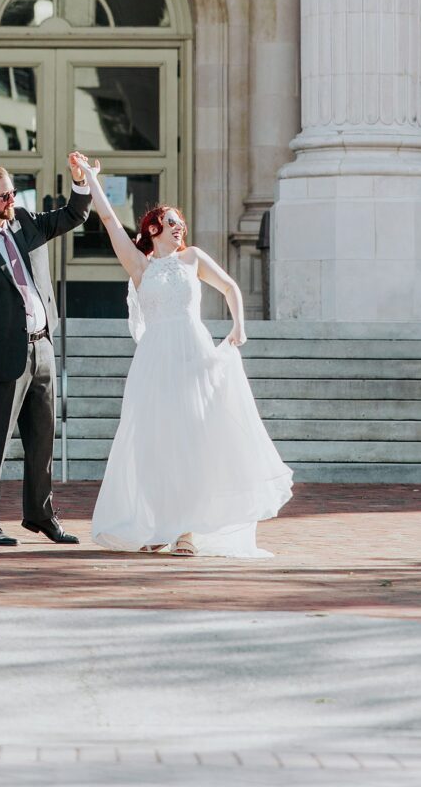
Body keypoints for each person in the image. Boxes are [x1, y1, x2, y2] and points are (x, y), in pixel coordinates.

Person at [74, 154, 293, 557]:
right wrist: (89, 179)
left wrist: (238, 326)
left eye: (182, 225)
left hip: (194, 354)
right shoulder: (140, 265)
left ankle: (187, 532)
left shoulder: (192, 259)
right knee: (155, 443)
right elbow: (107, 220)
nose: (180, 230)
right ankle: (159, 526)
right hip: (155, 359)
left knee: (193, 439)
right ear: (155, 227)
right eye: (173, 223)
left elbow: (230, 288)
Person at [0, 155, 92, 547]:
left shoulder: (25, 223)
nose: (12, 198)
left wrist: (81, 182)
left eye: (13, 191)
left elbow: (73, 216)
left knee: (42, 438)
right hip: (0, 360)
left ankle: (41, 516)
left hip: (41, 347)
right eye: (4, 195)